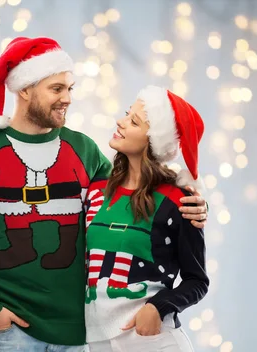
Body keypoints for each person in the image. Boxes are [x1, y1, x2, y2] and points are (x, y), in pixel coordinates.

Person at [0, 37, 209, 352]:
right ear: (25, 89)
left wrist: (194, 205)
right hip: (8, 334)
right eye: (56, 89)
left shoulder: (84, 150)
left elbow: (132, 198)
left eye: (70, 88)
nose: (67, 98)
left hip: (79, 336)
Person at [83, 86, 209, 352]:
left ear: (153, 140)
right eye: (127, 114)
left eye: (134, 121)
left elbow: (197, 281)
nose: (121, 121)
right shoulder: (95, 192)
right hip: (95, 342)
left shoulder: (179, 201)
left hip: (153, 340)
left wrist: (158, 307)